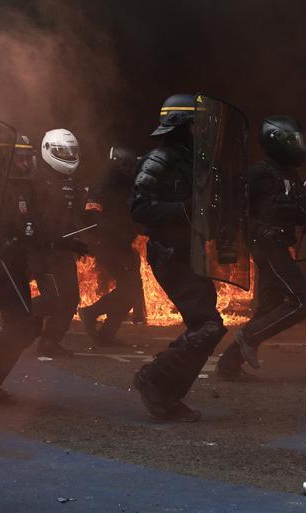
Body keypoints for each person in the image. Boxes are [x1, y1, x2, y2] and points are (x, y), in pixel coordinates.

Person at [0, 134, 86, 402]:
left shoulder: (24, 187)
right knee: (25, 323)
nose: (25, 164)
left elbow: (36, 229)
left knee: (25, 324)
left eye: (27, 158)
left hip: (16, 260)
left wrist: (69, 243)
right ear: (3, 157)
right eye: (18, 158)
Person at [130, 94, 227, 422]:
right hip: (169, 253)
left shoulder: (194, 161)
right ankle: (156, 383)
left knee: (208, 325)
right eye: (197, 124)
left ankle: (165, 390)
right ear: (182, 126)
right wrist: (182, 210)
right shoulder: (159, 159)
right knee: (207, 325)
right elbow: (139, 208)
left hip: (191, 251)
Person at [216, 116, 306, 379]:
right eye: (296, 141)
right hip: (266, 244)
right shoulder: (259, 173)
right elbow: (233, 206)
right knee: (302, 301)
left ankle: (229, 364)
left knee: (270, 306)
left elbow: (298, 210)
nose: (301, 146)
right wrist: (252, 231)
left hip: (279, 244)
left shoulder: (290, 175)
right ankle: (248, 336)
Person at [79, 145, 145, 345]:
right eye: (127, 167)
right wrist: (117, 233)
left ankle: (107, 334)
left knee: (132, 288)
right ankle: (91, 313)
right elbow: (92, 216)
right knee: (130, 288)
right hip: (107, 244)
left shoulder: (123, 184)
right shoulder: (102, 184)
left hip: (121, 243)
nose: (130, 171)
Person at [30, 129, 88, 357]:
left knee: (71, 297)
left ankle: (49, 342)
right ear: (47, 150)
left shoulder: (70, 181)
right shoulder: (37, 180)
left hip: (63, 250)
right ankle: (16, 317)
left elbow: (75, 214)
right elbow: (38, 223)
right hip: (43, 251)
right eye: (62, 151)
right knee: (53, 299)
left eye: (71, 151)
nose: (68, 156)